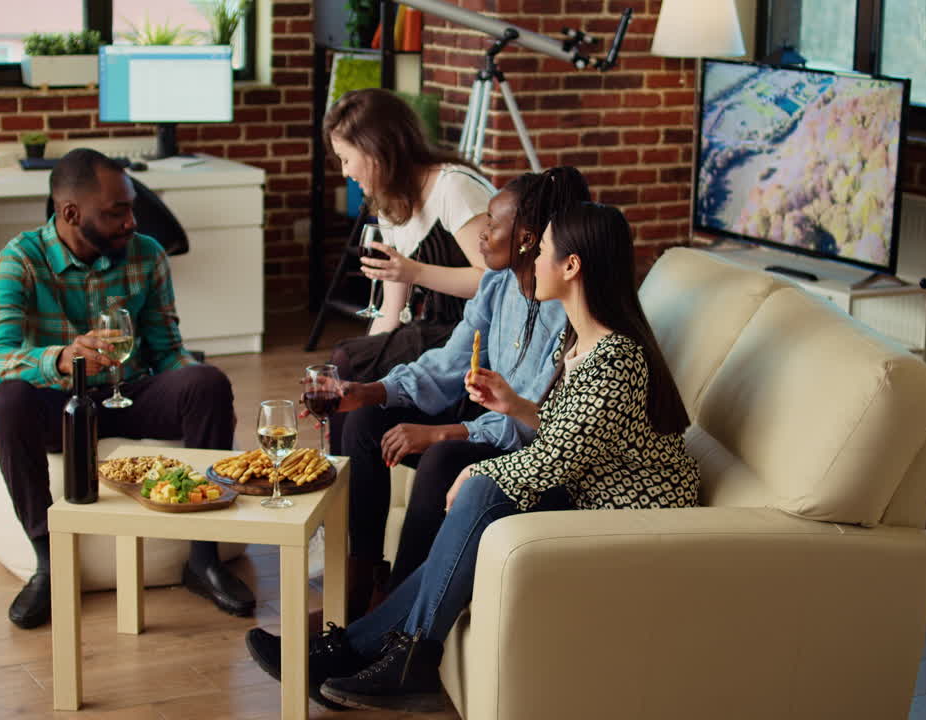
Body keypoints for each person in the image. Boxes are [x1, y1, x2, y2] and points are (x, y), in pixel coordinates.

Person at [246, 202, 701, 712]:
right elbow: (577, 433)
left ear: (572, 266)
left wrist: (478, 469)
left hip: (627, 516)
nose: (533, 259)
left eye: (543, 250)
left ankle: (403, 658)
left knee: (480, 485)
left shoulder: (616, 356)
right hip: (588, 493)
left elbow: (557, 459)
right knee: (470, 516)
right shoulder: (580, 344)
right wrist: (517, 406)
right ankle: (354, 652)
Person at [0, 148, 255, 630]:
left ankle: (203, 558)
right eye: (116, 212)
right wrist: (60, 358)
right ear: (71, 213)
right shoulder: (20, 259)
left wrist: (198, 389)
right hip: (62, 402)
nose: (131, 221)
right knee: (8, 402)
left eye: (131, 207)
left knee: (206, 381)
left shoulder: (147, 254)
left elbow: (168, 350)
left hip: (131, 392)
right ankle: (49, 562)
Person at [327, 167, 591, 624]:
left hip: (525, 443)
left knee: (443, 459)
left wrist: (442, 433)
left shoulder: (566, 310)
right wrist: (372, 391)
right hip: (493, 418)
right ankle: (359, 582)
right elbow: (449, 363)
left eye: (492, 225)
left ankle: (395, 613)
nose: (481, 235)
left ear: (528, 239)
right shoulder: (498, 283)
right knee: (367, 422)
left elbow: (536, 420)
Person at [323, 89, 496, 453]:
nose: (345, 172)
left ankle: (336, 472)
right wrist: (367, 355)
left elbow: (495, 281)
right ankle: (339, 467)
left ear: (375, 150)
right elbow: (391, 310)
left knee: (346, 363)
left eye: (346, 159)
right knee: (344, 365)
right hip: (431, 327)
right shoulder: (390, 201)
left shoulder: (453, 187)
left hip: (477, 333)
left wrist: (414, 272)